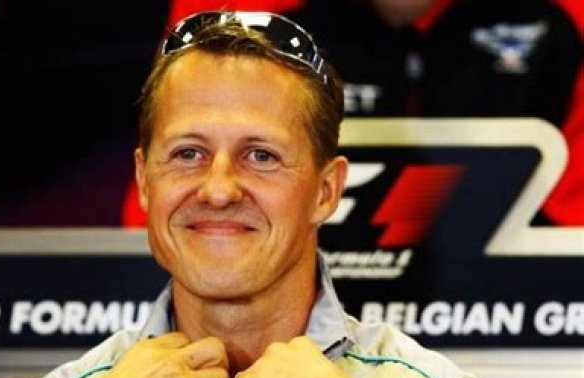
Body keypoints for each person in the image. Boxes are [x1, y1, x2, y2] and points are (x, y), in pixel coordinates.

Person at [0, 11, 524, 378]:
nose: (218, 190)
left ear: (326, 191)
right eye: (188, 153)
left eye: (261, 156)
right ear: (145, 182)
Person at [122, 0, 583, 227]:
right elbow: (165, 221)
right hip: (278, 314)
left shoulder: (566, 20)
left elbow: (571, 231)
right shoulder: (233, 15)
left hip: (507, 320)